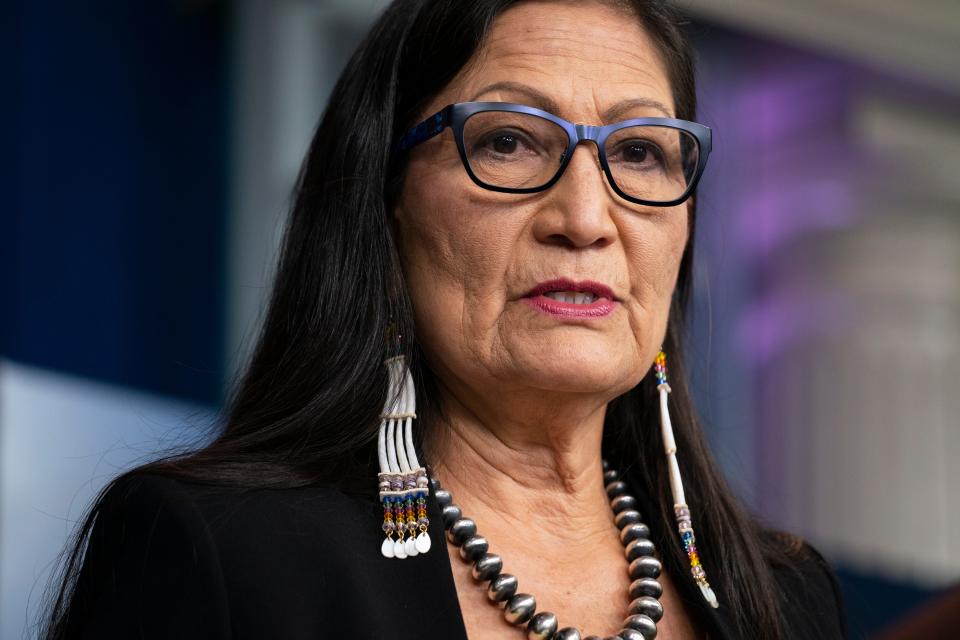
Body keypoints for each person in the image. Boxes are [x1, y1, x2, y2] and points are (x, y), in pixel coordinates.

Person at [40, 1, 848, 638]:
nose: (586, 216)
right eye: (507, 142)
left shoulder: (785, 601)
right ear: (385, 209)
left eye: (639, 153)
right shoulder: (223, 553)